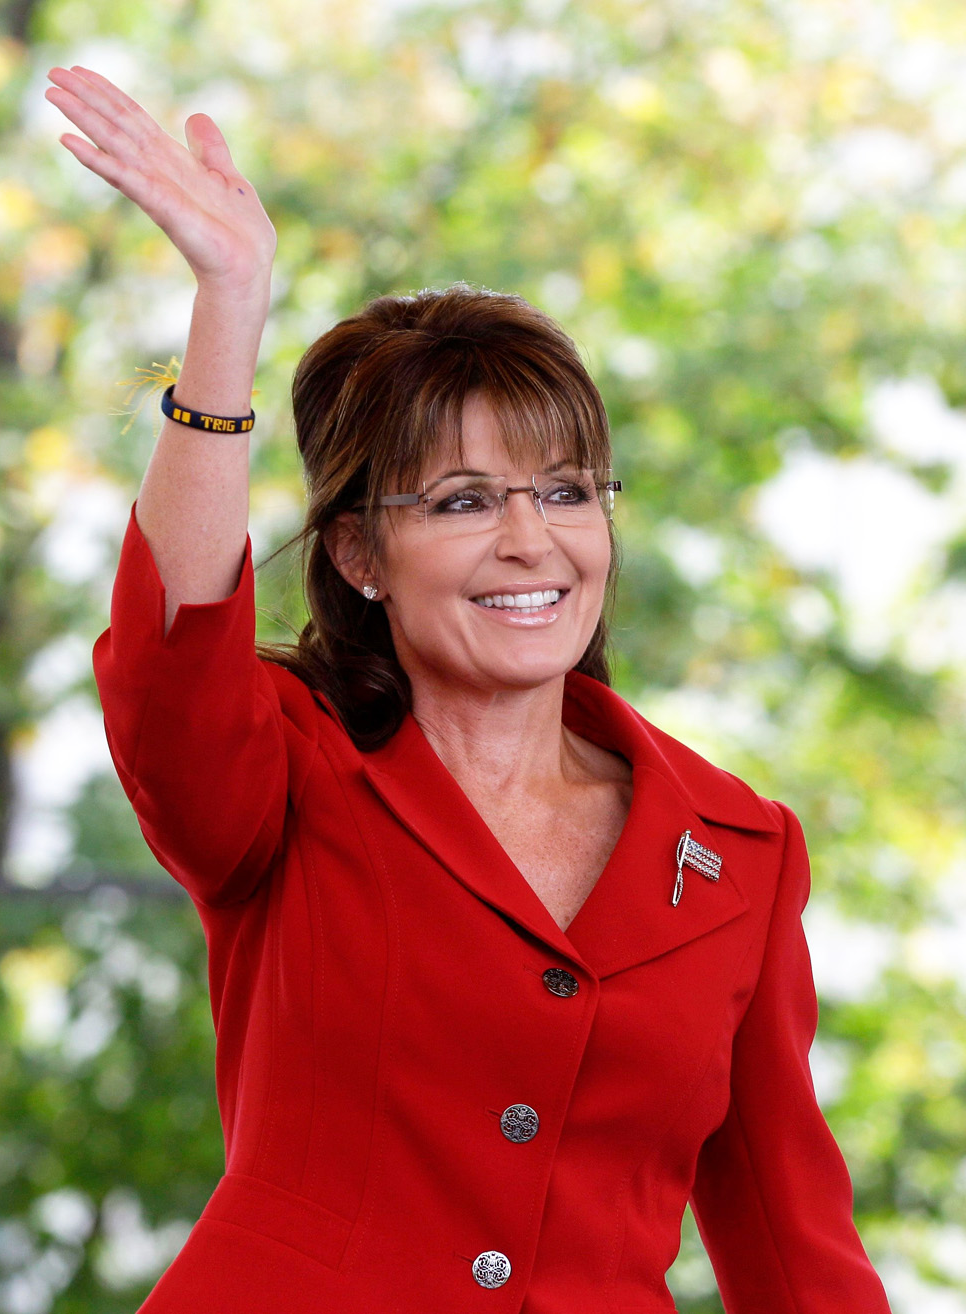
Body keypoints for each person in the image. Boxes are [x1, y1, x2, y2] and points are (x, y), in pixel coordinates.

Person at [45, 64, 893, 1314]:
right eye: (459, 501)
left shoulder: (739, 853)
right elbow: (174, 663)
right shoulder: (289, 768)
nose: (529, 540)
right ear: (357, 556)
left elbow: (793, 1249)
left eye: (563, 491)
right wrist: (227, 305)